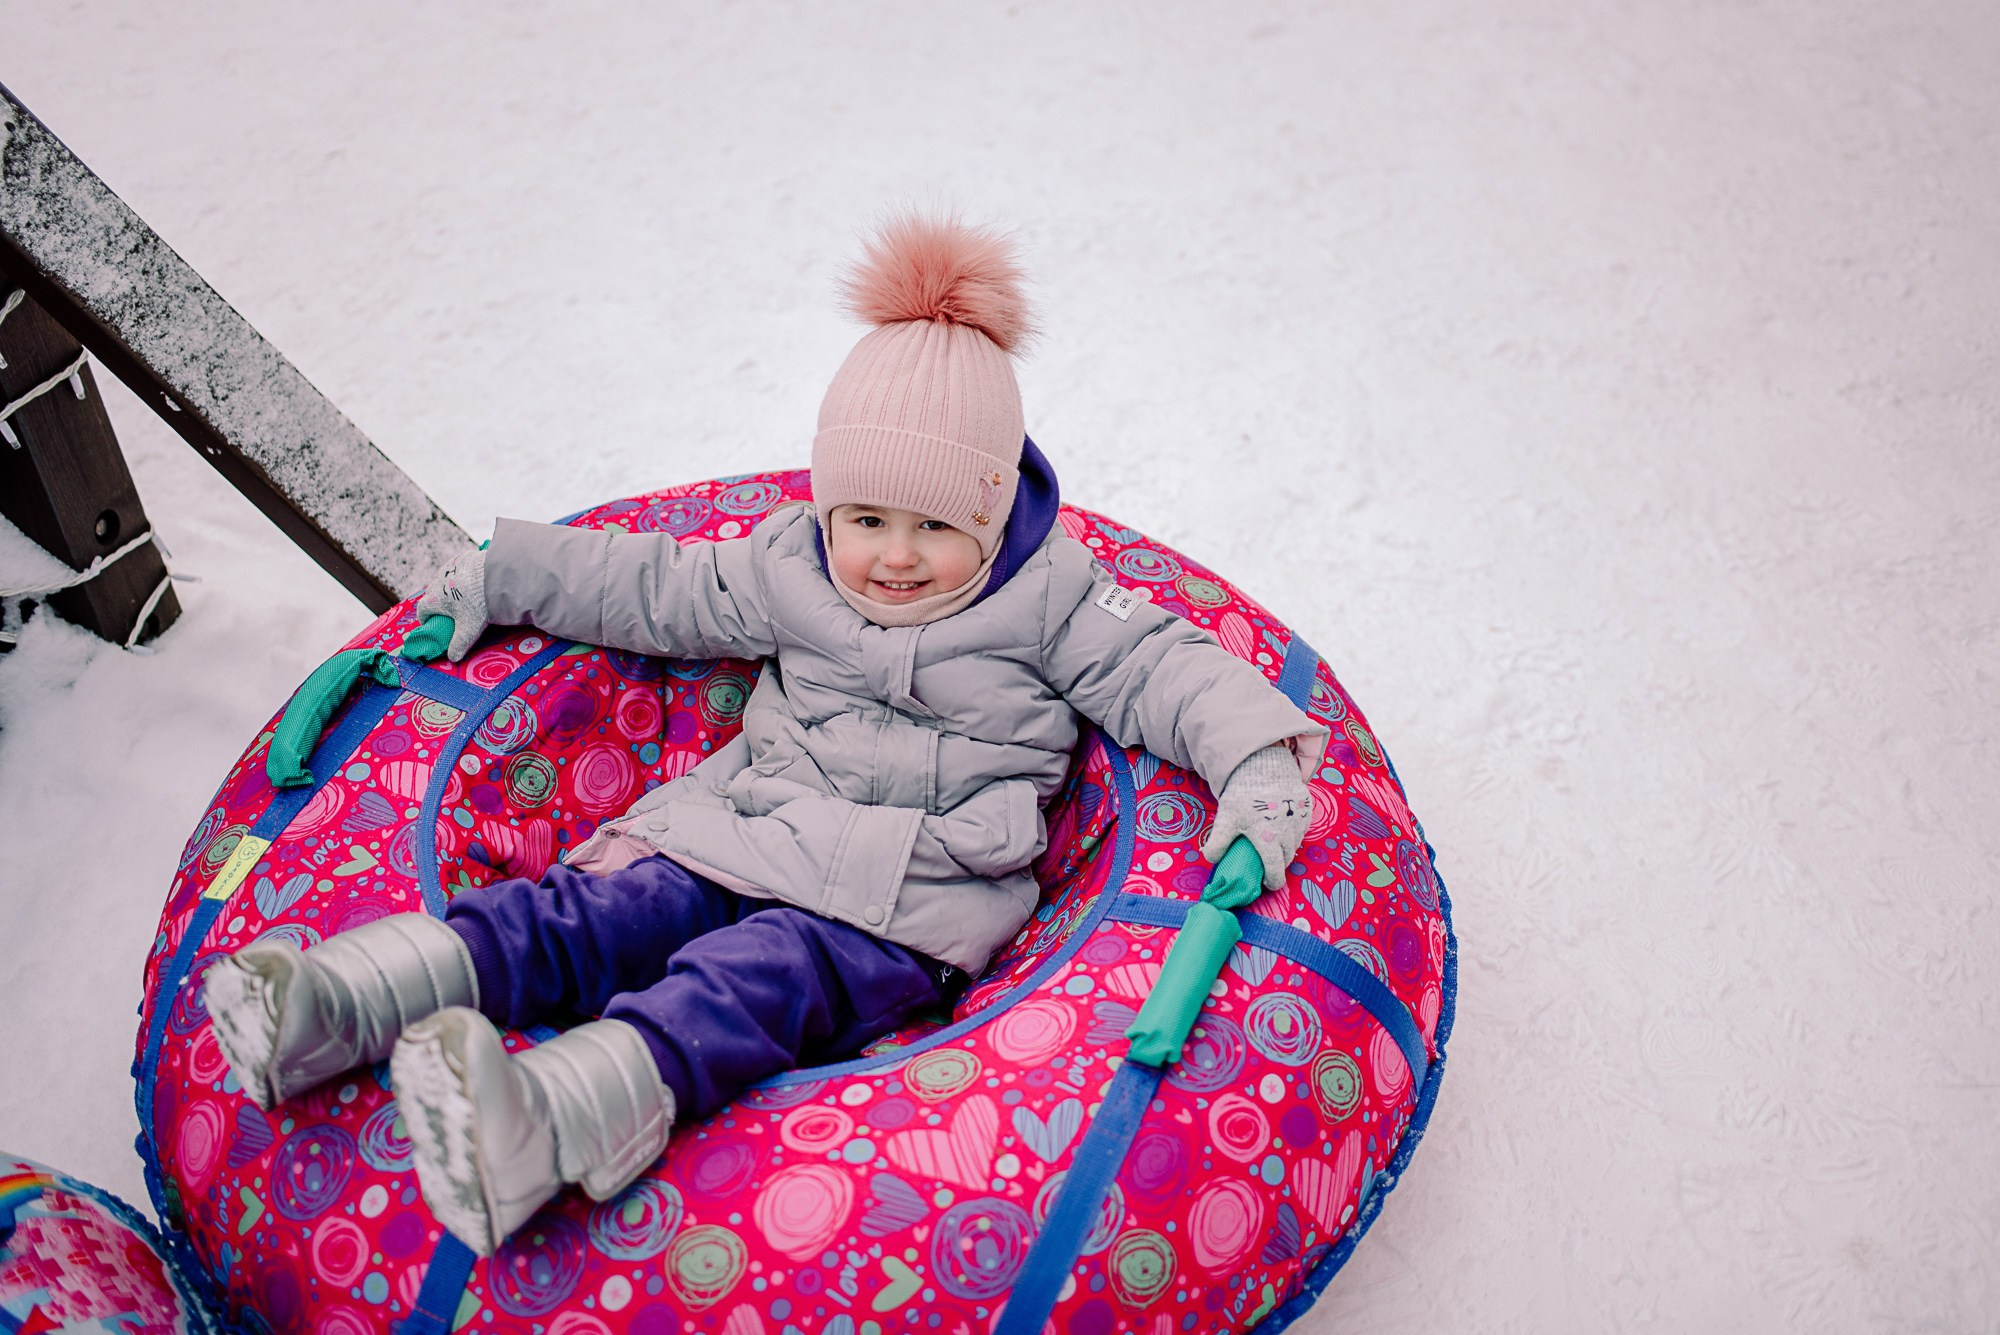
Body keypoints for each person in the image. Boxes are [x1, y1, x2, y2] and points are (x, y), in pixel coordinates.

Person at [204, 215, 1328, 1257]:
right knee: (586, 914)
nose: (894, 555)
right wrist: (503, 574)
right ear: (827, 505)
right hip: (745, 832)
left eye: (935, 525)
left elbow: (1168, 670)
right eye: (865, 519)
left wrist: (1256, 763)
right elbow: (655, 585)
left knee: (742, 982)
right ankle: (342, 1004)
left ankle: (549, 1124)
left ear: (991, 515)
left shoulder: (1053, 601)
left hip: (904, 903)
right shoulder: (790, 565)